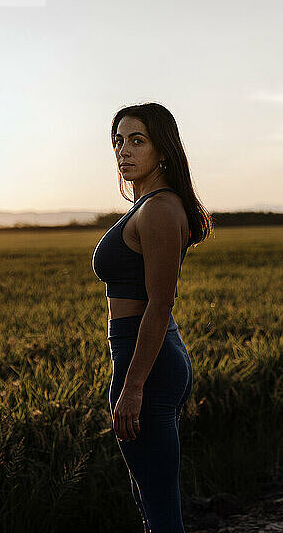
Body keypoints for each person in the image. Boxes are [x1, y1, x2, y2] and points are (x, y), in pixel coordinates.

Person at [92, 102, 213, 532]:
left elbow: (160, 304)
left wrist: (133, 385)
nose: (124, 150)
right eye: (119, 141)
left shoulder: (159, 209)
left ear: (163, 150)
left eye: (137, 140)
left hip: (148, 360)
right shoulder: (148, 205)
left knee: (160, 513)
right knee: (151, 502)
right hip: (145, 354)